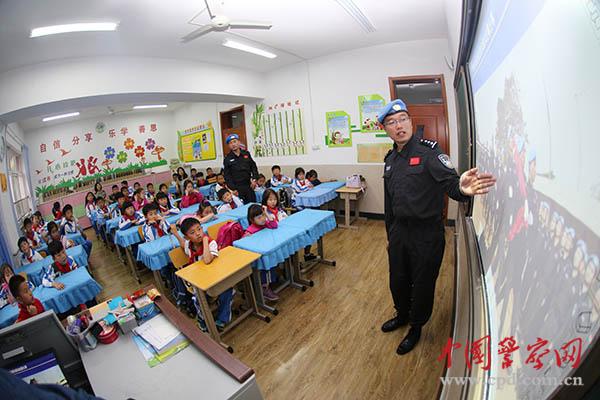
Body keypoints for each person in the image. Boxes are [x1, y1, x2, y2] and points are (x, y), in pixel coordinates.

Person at [379, 99, 496, 354]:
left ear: (411, 122)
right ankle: (402, 315)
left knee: (422, 283)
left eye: (402, 119)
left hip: (426, 234)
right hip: (399, 233)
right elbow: (389, 203)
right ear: (385, 129)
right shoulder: (390, 159)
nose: (398, 126)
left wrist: (462, 189)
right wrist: (390, 235)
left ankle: (416, 326)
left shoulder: (429, 152)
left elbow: (451, 184)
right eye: (391, 122)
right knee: (398, 279)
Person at [171, 219, 233, 330]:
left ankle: (222, 318)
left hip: (214, 277)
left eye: (199, 229)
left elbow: (207, 260)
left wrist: (205, 240)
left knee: (227, 288)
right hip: (198, 281)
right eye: (192, 232)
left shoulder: (211, 243)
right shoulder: (190, 245)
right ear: (187, 237)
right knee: (197, 298)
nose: (198, 233)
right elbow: (183, 244)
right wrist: (176, 234)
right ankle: (203, 318)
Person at [243, 204, 279, 301]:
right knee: (266, 267)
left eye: (263, 215)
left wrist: (266, 213)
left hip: (267, 252)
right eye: (259, 218)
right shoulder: (250, 231)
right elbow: (245, 244)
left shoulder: (265, 224)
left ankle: (271, 281)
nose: (262, 219)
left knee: (272, 261)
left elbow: (274, 225)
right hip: (259, 258)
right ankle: (264, 288)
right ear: (252, 220)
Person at [223, 134, 260, 205]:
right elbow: (227, 176)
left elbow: (253, 167)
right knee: (241, 207)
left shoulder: (246, 154)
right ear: (229, 146)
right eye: (230, 143)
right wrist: (233, 189)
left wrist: (254, 179)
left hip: (249, 186)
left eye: (234, 141)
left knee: (253, 206)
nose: (233, 144)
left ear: (239, 142)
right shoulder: (227, 159)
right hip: (237, 189)